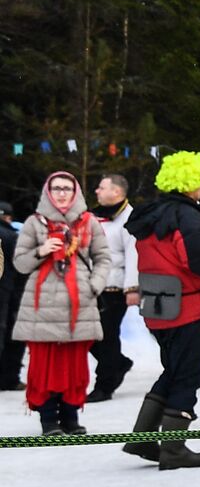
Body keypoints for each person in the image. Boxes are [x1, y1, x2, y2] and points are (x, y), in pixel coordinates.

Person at [123, 152, 200, 468]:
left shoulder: (151, 214)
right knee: (188, 373)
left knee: (173, 369)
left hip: (157, 305)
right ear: (192, 183)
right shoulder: (188, 216)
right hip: (188, 305)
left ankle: (142, 438)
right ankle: (174, 447)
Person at [11, 171, 111, 434]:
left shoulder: (89, 222)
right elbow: (20, 263)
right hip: (42, 306)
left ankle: (70, 418)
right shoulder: (35, 223)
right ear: (48, 191)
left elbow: (103, 257)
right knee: (44, 364)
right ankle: (48, 420)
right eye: (56, 188)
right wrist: (41, 251)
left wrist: (95, 284)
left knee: (75, 364)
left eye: (67, 188)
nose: (62, 193)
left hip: (79, 304)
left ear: (76, 192)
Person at [87, 174, 139, 402]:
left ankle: (104, 384)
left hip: (114, 287)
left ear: (116, 192)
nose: (97, 191)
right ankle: (118, 362)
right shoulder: (93, 216)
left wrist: (132, 288)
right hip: (90, 285)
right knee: (87, 336)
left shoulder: (129, 218)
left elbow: (133, 254)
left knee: (107, 336)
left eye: (102, 187)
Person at [0, 200, 26, 391]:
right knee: (12, 335)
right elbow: (21, 268)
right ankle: (9, 378)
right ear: (8, 218)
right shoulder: (11, 237)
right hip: (7, 295)